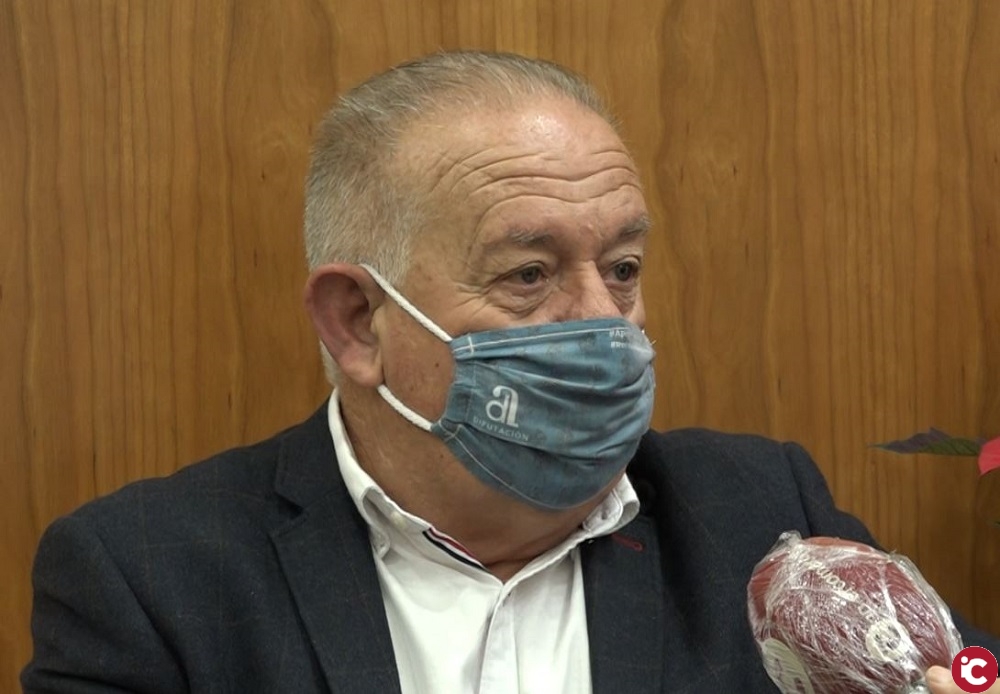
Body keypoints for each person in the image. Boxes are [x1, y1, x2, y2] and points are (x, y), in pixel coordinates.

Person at [22, 50, 999, 694]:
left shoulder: (755, 511)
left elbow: (964, 673)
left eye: (622, 269)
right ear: (357, 320)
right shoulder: (149, 577)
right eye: (528, 274)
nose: (602, 320)